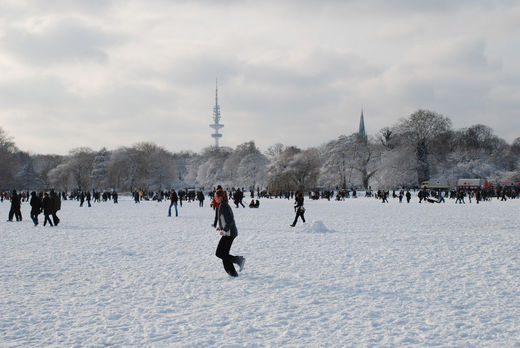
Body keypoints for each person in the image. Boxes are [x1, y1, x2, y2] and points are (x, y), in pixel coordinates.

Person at [214, 190, 245, 277]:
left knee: (219, 253)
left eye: (215, 197)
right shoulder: (223, 205)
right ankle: (232, 273)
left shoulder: (223, 205)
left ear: (220, 197)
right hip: (228, 232)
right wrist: (221, 228)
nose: (215, 198)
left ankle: (238, 260)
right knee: (224, 253)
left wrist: (224, 230)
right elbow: (226, 220)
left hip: (230, 233)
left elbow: (231, 220)